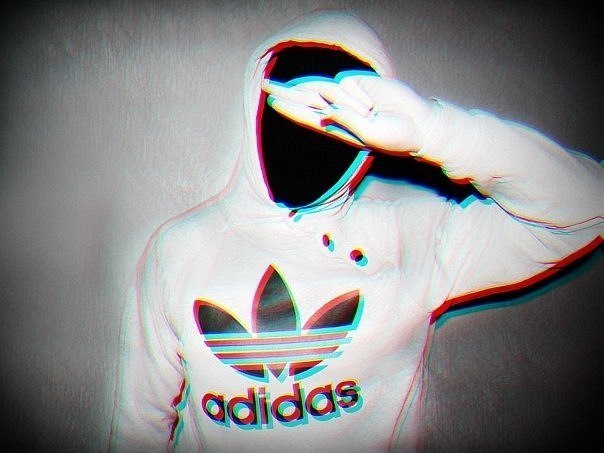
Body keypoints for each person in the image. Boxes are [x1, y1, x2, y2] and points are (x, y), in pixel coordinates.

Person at [110, 11, 603, 452]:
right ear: (256, 100)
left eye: (338, 118)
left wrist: (436, 131)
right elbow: (140, 427)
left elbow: (588, 206)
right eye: (296, 105)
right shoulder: (180, 250)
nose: (310, 137)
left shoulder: (409, 239)